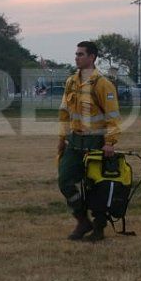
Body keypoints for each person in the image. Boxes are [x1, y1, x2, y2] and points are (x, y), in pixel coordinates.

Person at [58, 41, 121, 241]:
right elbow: (64, 113)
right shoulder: (71, 82)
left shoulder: (103, 84)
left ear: (92, 57)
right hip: (75, 142)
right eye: (76, 54)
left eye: (81, 54)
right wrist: (62, 138)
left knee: (97, 186)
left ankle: (99, 227)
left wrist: (109, 142)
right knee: (65, 180)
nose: (76, 57)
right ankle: (82, 219)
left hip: (95, 142)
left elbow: (113, 116)